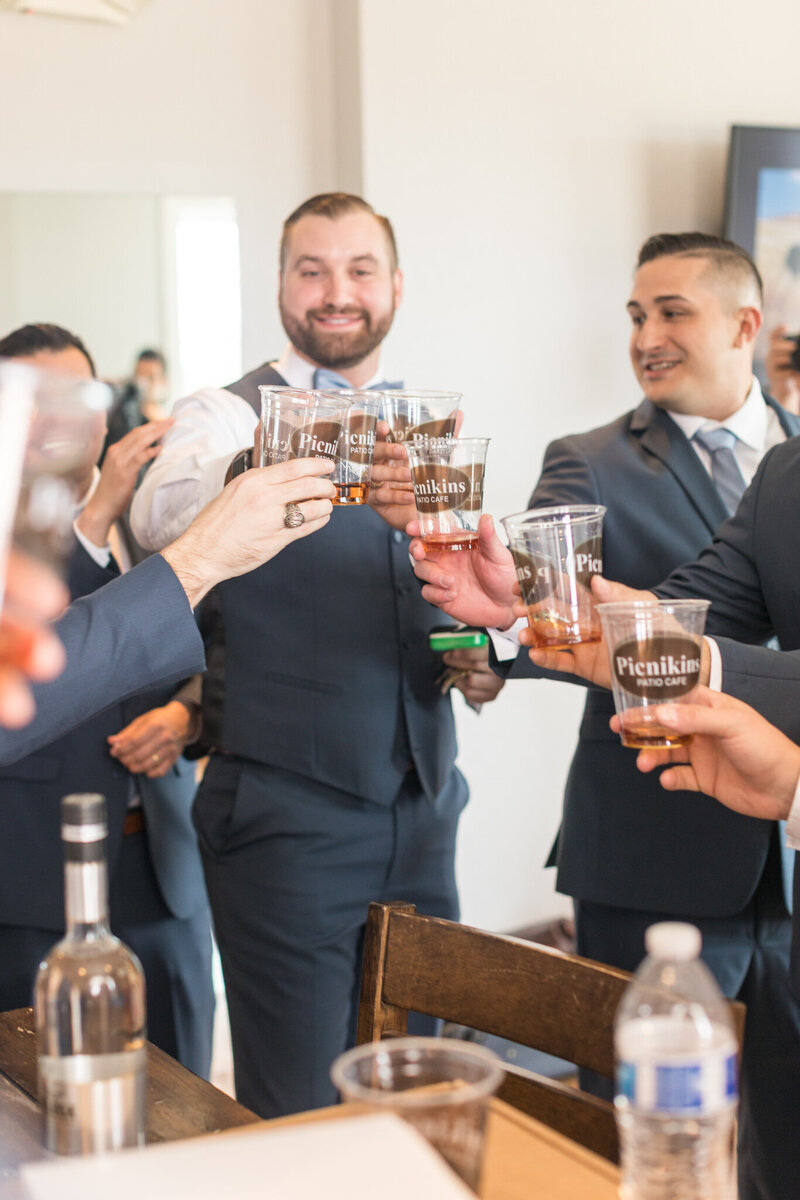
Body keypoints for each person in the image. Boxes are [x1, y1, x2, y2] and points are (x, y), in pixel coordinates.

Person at [408, 232, 800, 1200]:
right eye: (636, 314)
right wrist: (524, 612)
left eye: (672, 311)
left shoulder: (778, 451)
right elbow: (672, 620)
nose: (647, 335)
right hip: (660, 834)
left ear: (745, 327)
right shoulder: (767, 484)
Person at [131, 192, 504, 1118]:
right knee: (296, 1108)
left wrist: (481, 661)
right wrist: (265, 463)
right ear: (282, 287)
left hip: (425, 811)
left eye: (359, 269)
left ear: (396, 286)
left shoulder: (433, 424)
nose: (337, 292)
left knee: (426, 1091)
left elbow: (457, 604)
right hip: (285, 821)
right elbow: (157, 513)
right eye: (312, 269)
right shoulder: (222, 414)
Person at [0, 323, 216, 1073]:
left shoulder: (157, 514)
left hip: (164, 862)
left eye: (76, 402)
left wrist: (189, 714)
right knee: (51, 1100)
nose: (59, 425)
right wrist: (89, 524)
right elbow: (50, 657)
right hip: (34, 879)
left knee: (190, 1088)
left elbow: (217, 645)